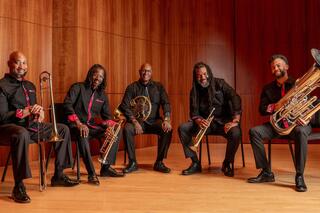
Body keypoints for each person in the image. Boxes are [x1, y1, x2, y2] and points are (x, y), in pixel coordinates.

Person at [0, 51, 79, 203]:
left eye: (24, 63)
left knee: (62, 128)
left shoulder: (30, 86)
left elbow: (34, 110)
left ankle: (59, 175)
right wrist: (21, 113)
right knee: (21, 133)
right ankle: (18, 186)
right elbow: (2, 116)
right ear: (9, 64)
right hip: (7, 129)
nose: (21, 66)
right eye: (17, 62)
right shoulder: (2, 85)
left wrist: (39, 114)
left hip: (30, 127)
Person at [248, 54, 311, 192]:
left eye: (278, 65)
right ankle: (266, 172)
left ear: (286, 67)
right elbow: (262, 109)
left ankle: (299, 176)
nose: (275, 68)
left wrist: (306, 117)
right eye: (273, 67)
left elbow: (309, 104)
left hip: (297, 125)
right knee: (254, 132)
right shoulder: (267, 88)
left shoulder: (298, 84)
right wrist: (274, 106)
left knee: (301, 132)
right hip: (277, 125)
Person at [64, 64, 124, 185]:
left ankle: (106, 168)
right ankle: (91, 173)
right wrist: (78, 123)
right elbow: (67, 105)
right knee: (83, 133)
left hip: (91, 126)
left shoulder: (102, 95)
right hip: (75, 125)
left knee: (116, 130)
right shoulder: (77, 87)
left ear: (103, 80)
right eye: (96, 74)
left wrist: (110, 126)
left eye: (101, 76)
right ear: (90, 74)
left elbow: (106, 117)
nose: (98, 78)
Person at [178, 62, 242, 177]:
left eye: (204, 74)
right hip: (205, 124)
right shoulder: (194, 91)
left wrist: (235, 120)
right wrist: (198, 120)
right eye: (199, 75)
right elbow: (193, 111)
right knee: (183, 128)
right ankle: (195, 163)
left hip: (224, 123)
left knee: (236, 133)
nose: (202, 78)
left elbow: (235, 97)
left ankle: (227, 163)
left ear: (209, 73)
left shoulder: (220, 83)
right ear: (195, 77)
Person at [119, 63, 172, 173]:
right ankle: (132, 162)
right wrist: (134, 121)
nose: (146, 73)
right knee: (127, 129)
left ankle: (159, 162)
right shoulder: (132, 87)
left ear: (151, 73)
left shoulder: (159, 87)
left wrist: (167, 119)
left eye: (148, 71)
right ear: (139, 72)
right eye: (143, 71)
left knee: (166, 130)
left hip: (154, 120)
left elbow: (166, 103)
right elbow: (125, 106)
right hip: (138, 121)